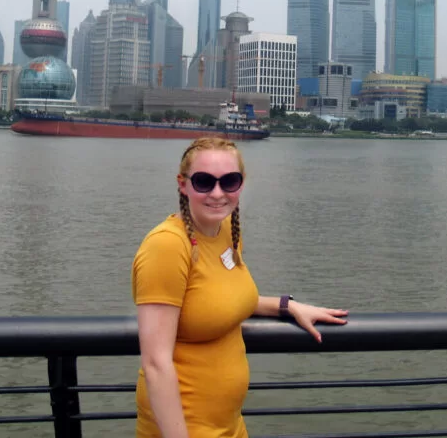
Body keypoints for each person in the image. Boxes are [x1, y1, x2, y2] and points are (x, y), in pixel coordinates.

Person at [132, 137, 348, 438]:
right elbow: (156, 364)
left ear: (241, 184)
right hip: (184, 428)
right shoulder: (167, 246)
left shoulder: (225, 229)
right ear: (183, 185)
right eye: (204, 182)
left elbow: (219, 299)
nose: (218, 193)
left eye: (229, 181)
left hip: (229, 426)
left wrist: (287, 306)